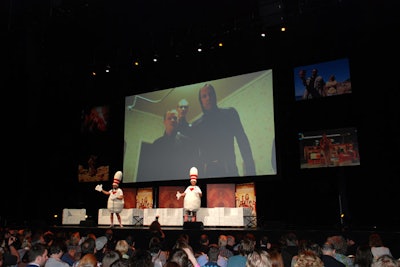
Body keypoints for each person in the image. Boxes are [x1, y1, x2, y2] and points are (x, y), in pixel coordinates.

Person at [191, 84, 256, 178]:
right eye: (204, 96)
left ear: (215, 96)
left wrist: (251, 171)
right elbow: (195, 155)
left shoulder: (230, 114)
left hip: (230, 170)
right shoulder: (196, 125)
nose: (208, 98)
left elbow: (243, 142)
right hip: (208, 174)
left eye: (210, 94)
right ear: (201, 101)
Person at [143, 109, 199, 181]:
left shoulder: (188, 143)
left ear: (178, 121)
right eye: (169, 118)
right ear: (164, 122)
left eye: (175, 118)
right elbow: (151, 169)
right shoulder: (156, 144)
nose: (172, 120)